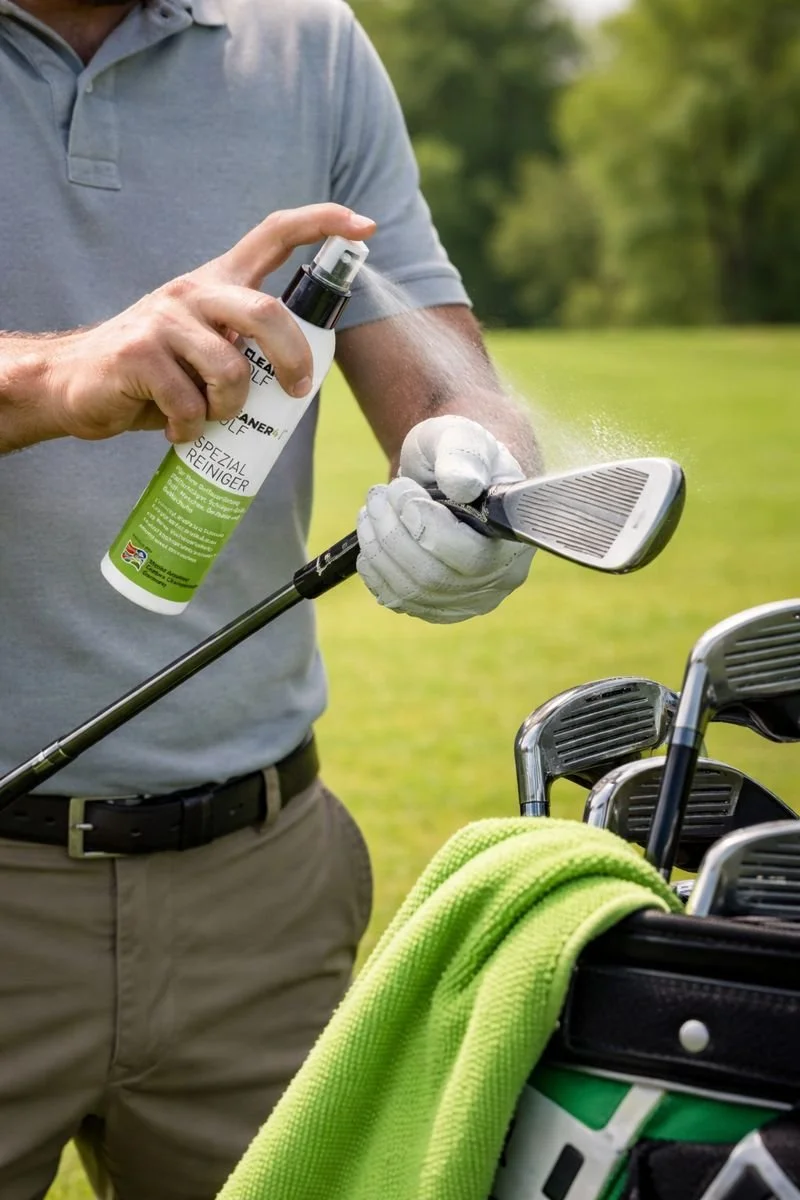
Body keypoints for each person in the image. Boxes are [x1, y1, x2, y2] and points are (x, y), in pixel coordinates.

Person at [0, 0, 539, 1195]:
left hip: (259, 898)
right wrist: (53, 374)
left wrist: (476, 477)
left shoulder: (310, 41)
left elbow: (449, 377)